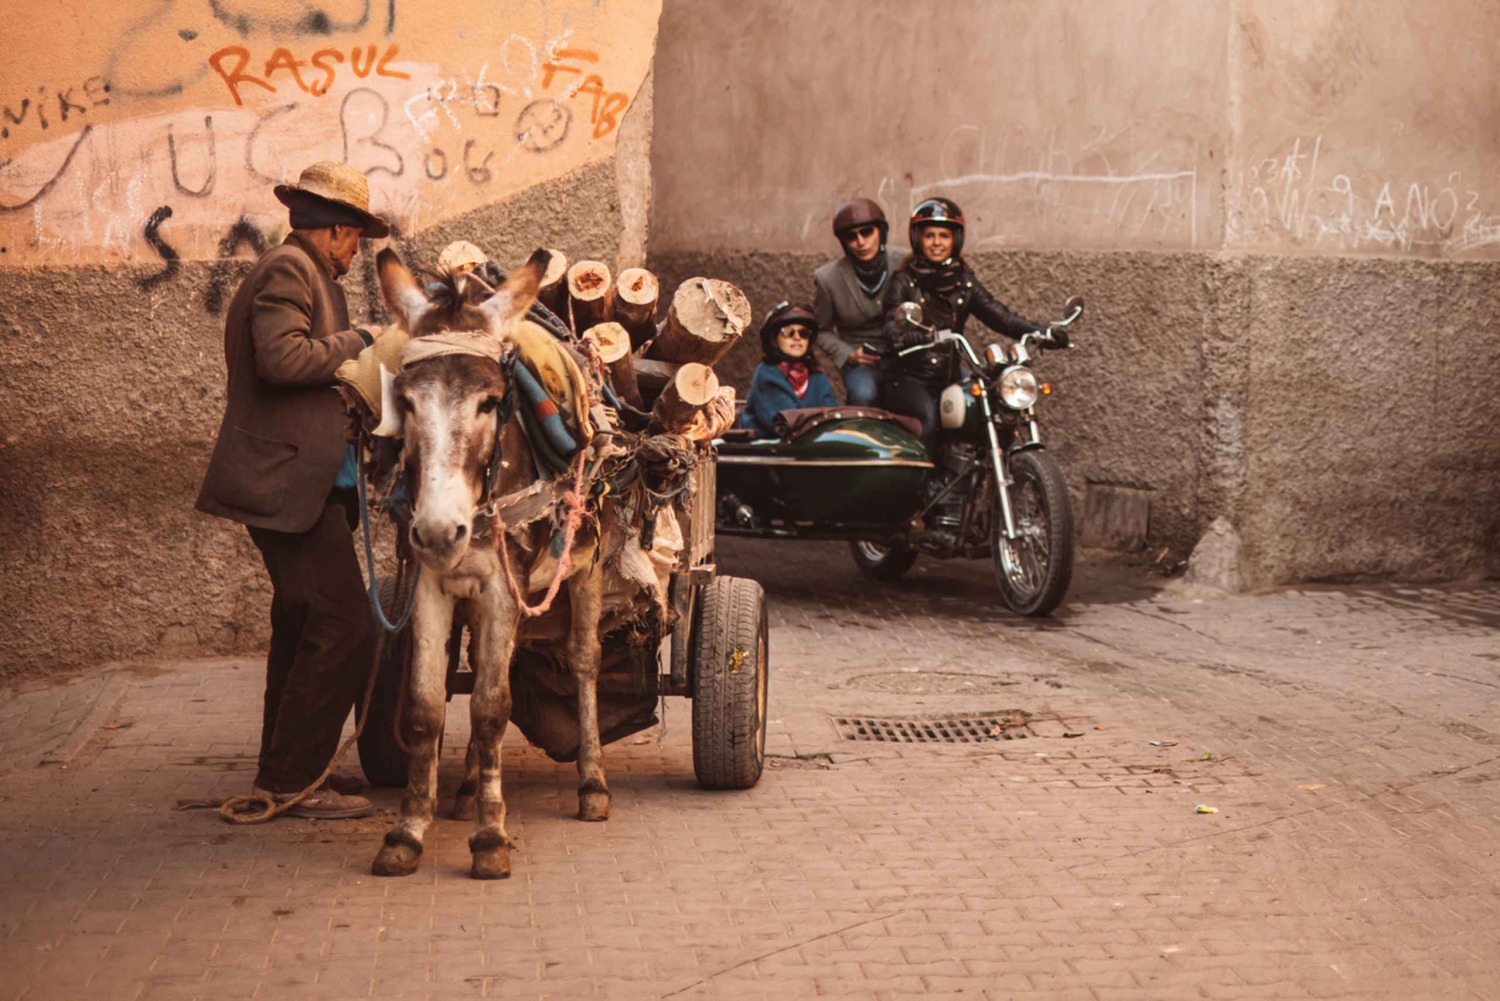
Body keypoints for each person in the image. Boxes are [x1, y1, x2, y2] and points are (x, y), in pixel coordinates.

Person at [196, 162, 391, 820]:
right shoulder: (289, 268)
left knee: (302, 623)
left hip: (306, 486)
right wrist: (362, 340)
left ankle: (285, 767)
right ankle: (293, 781)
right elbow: (283, 360)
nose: (355, 251)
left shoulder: (309, 274)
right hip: (284, 486)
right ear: (335, 230)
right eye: (354, 237)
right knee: (345, 624)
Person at [882, 197, 1043, 451]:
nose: (937, 243)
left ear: (955, 240)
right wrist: (905, 335)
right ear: (918, 239)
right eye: (929, 236)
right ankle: (925, 477)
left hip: (950, 376)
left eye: (944, 236)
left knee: (991, 406)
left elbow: (1000, 315)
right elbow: (891, 323)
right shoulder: (904, 281)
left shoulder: (964, 282)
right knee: (929, 419)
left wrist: (1042, 332)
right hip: (909, 379)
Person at [813, 198, 908, 406]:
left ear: (881, 232)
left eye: (867, 232)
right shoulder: (828, 278)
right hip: (861, 362)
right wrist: (849, 355)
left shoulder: (905, 263)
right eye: (851, 236)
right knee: (864, 394)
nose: (861, 242)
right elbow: (820, 330)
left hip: (905, 357)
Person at [740, 302, 840, 437]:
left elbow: (834, 416)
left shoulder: (816, 374)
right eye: (788, 332)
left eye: (803, 333)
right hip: (771, 446)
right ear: (774, 338)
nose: (797, 338)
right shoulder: (766, 373)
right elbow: (785, 423)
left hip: (811, 442)